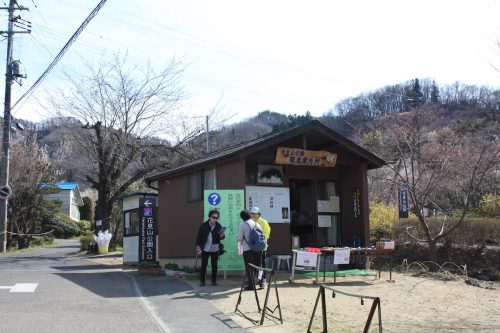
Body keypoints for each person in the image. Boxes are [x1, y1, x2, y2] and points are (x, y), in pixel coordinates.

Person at [195, 209, 225, 286]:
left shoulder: (218, 226)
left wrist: (222, 235)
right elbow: (199, 237)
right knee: (204, 265)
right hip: (205, 248)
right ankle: (202, 281)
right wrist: (198, 246)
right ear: (209, 217)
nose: (215, 219)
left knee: (214, 265)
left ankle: (213, 281)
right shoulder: (204, 225)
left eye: (216, 218)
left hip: (215, 248)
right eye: (213, 217)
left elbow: (221, 238)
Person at [237, 209, 262, 290]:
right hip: (258, 249)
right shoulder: (256, 224)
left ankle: (251, 285)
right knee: (258, 266)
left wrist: (239, 248)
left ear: (242, 217)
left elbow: (240, 238)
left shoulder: (243, 225)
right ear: (249, 215)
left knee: (249, 268)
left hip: (248, 249)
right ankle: (261, 282)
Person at [250, 207, 271, 288]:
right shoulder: (251, 222)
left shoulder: (263, 222)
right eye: (252, 213)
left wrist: (258, 239)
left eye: (255, 214)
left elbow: (267, 234)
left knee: (262, 263)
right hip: (253, 247)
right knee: (255, 264)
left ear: (259, 214)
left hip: (261, 247)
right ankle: (257, 279)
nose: (253, 215)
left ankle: (263, 279)